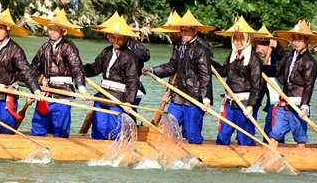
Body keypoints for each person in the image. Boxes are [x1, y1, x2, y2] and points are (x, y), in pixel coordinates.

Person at [144, 10, 214, 144]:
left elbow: (205, 76)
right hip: (178, 96)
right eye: (182, 30)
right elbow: (172, 66)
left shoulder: (201, 49)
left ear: (195, 31)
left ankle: (197, 155)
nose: (183, 34)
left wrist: (206, 99)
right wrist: (153, 69)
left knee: (192, 134)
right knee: (169, 128)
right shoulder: (179, 46)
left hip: (194, 98)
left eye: (187, 31)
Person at [29, 8, 87, 138]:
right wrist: (31, 87)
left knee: (60, 131)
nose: (52, 32)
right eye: (50, 29)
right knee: (38, 127)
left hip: (63, 94)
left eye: (56, 29)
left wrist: (81, 86)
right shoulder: (45, 47)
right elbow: (34, 68)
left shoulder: (69, 47)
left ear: (63, 31)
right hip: (45, 92)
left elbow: (77, 68)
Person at [264, 21, 317, 146]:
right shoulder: (290, 55)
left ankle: (300, 160)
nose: (296, 42)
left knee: (300, 139)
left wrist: (305, 105)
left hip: (298, 105)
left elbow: (308, 85)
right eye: (294, 39)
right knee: (274, 135)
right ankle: (268, 161)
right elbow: (277, 70)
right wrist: (259, 69)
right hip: (284, 103)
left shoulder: (310, 62)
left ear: (306, 41)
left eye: (299, 39)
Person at [84, 12, 139, 140]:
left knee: (114, 128)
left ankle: (114, 150)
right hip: (103, 95)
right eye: (113, 38)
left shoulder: (130, 57)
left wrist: (128, 102)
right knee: (99, 127)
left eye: (119, 38)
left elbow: (132, 81)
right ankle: (97, 147)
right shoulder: (106, 51)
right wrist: (78, 70)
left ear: (125, 39)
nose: (115, 41)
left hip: (118, 98)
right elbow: (95, 68)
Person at [212, 17, 263, 146]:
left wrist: (251, 105)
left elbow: (257, 85)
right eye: (236, 38)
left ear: (247, 39)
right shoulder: (232, 55)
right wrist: (209, 65)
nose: (238, 41)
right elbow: (225, 71)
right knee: (223, 133)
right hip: (230, 102)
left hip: (245, 103)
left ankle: (247, 156)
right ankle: (220, 157)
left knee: (244, 136)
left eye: (242, 38)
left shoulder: (254, 59)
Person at [254, 24, 287, 139]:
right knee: (269, 129)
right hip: (271, 102)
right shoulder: (260, 60)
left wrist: (277, 46)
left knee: (273, 131)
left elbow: (283, 60)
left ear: (268, 46)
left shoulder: (277, 56)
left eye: (260, 48)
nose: (258, 51)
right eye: (256, 48)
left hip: (280, 101)